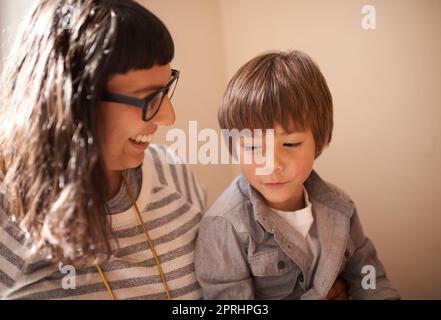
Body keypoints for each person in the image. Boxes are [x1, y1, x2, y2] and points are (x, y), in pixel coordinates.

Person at [0, 0, 205, 299]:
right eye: (147, 97)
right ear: (70, 101)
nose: (168, 116)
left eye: (165, 88)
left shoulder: (174, 174)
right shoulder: (9, 216)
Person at [195, 50, 401, 300]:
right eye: (251, 147)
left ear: (319, 141)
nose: (271, 164)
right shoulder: (224, 227)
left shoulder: (340, 206)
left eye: (290, 144)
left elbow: (369, 278)